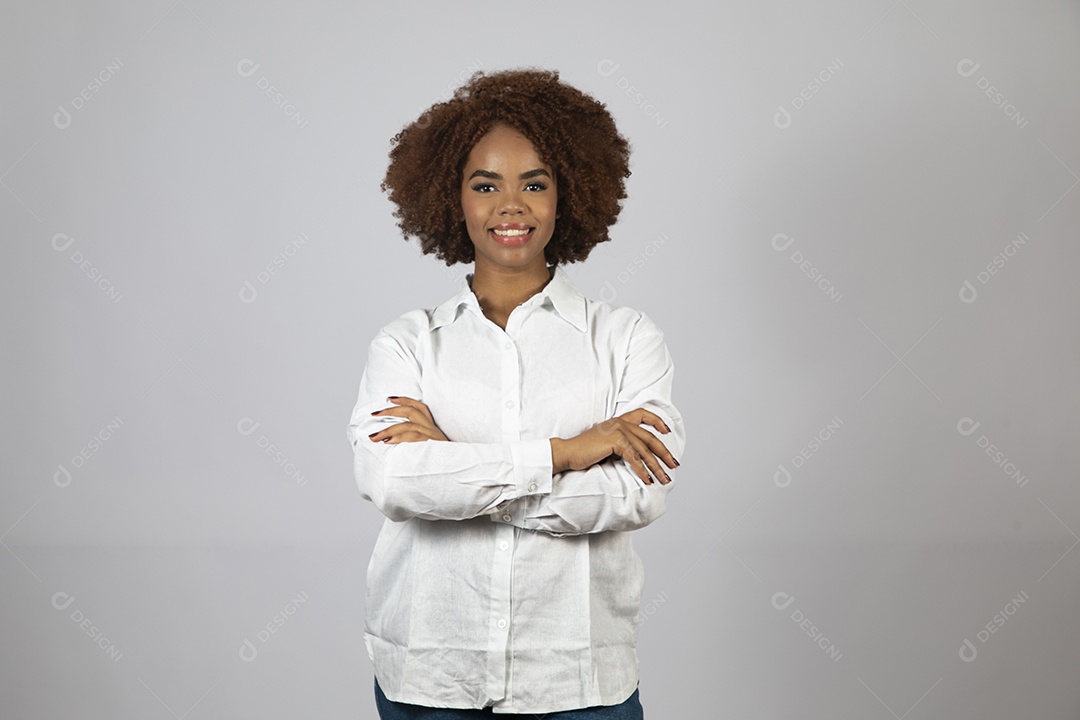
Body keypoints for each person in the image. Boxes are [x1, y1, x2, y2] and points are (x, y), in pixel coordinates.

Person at [346, 68, 685, 718]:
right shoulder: (407, 345)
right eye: (485, 185)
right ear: (454, 199)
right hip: (429, 673)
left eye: (535, 183)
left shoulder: (626, 339)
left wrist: (455, 467)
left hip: (578, 682)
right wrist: (568, 452)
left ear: (569, 194)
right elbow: (393, 483)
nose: (511, 204)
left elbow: (637, 493)